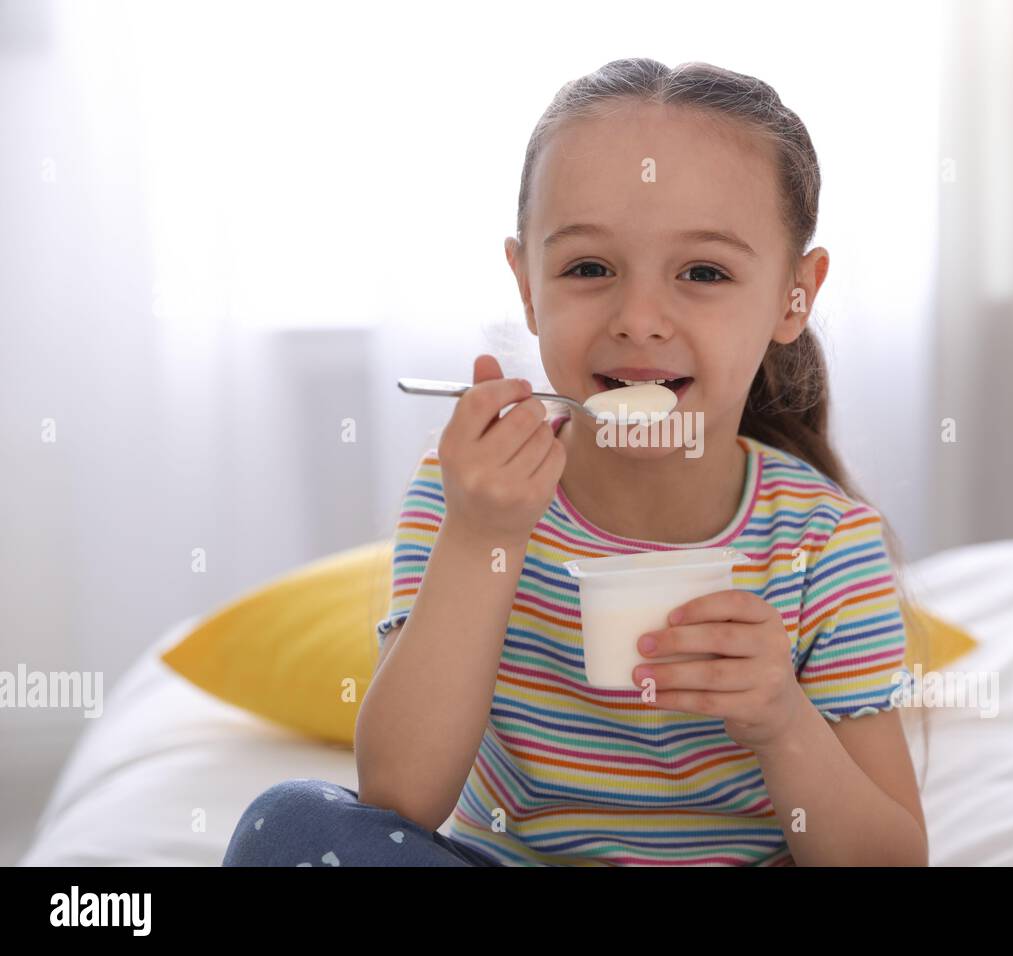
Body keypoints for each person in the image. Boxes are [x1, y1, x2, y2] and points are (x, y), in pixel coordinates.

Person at [224, 57, 930, 868]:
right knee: (292, 824)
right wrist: (481, 536)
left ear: (793, 297)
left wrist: (779, 715)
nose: (638, 319)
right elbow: (401, 797)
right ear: (527, 285)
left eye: (704, 272)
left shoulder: (825, 541)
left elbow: (892, 861)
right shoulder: (470, 494)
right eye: (588, 269)